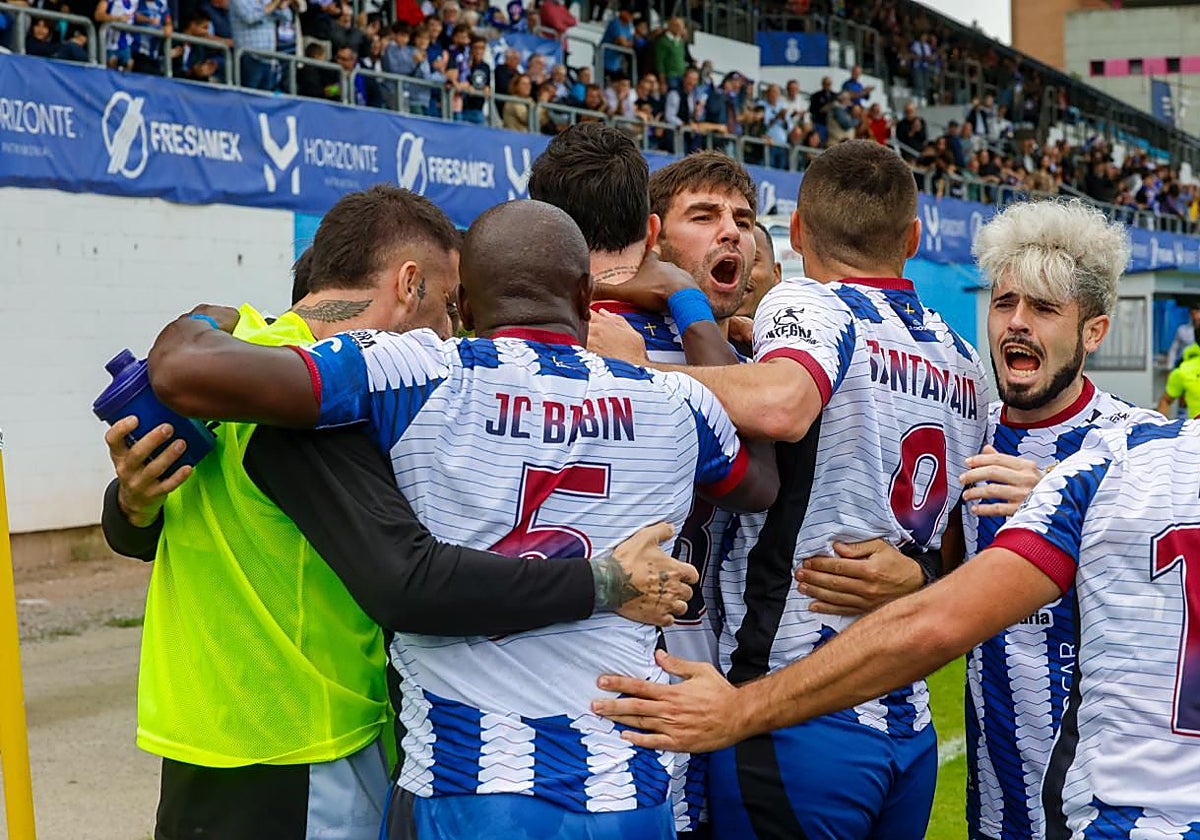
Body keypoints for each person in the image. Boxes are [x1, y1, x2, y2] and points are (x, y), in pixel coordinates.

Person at [143, 198, 778, 840]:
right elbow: (759, 483)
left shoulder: (417, 369)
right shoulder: (677, 401)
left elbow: (185, 370)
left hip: (466, 782)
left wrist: (209, 318)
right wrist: (689, 311)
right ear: (587, 298)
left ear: (468, 304)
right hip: (626, 786)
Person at [594, 140, 990, 840]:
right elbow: (961, 548)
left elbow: (780, 404)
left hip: (792, 707)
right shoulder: (959, 355)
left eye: (745, 219)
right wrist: (918, 573)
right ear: (915, 238)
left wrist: (637, 377)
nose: (733, 233)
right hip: (905, 717)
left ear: (796, 230)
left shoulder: (809, 305)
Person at [593, 418, 1200, 837]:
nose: (1016, 320)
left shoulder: (1116, 463)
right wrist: (926, 570)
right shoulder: (1070, 449)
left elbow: (938, 623)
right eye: (1004, 298)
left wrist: (741, 710)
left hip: (1133, 820)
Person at [808, 199, 1164, 839]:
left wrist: (1071, 504)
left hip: (1109, 808)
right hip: (998, 806)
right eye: (1005, 304)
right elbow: (947, 573)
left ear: (1095, 331)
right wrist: (913, 579)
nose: (1017, 325)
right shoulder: (969, 434)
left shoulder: (1136, 448)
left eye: (1045, 309)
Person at [530, 134, 765, 839]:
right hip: (655, 677)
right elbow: (760, 481)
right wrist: (689, 307)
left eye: (743, 220)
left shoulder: (501, 340)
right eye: (705, 216)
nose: (729, 231)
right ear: (654, 233)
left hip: (560, 679)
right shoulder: (712, 359)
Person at [1159, 342, 1200, 419]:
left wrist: (1163, 427)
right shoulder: (1183, 371)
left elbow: (1165, 401)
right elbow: (1165, 401)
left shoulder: (1182, 370)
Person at [1166, 301, 1200, 369]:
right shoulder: (1182, 330)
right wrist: (1169, 367)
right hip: (1184, 364)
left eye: (1197, 313)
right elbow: (1174, 349)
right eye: (1192, 313)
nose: (1195, 316)